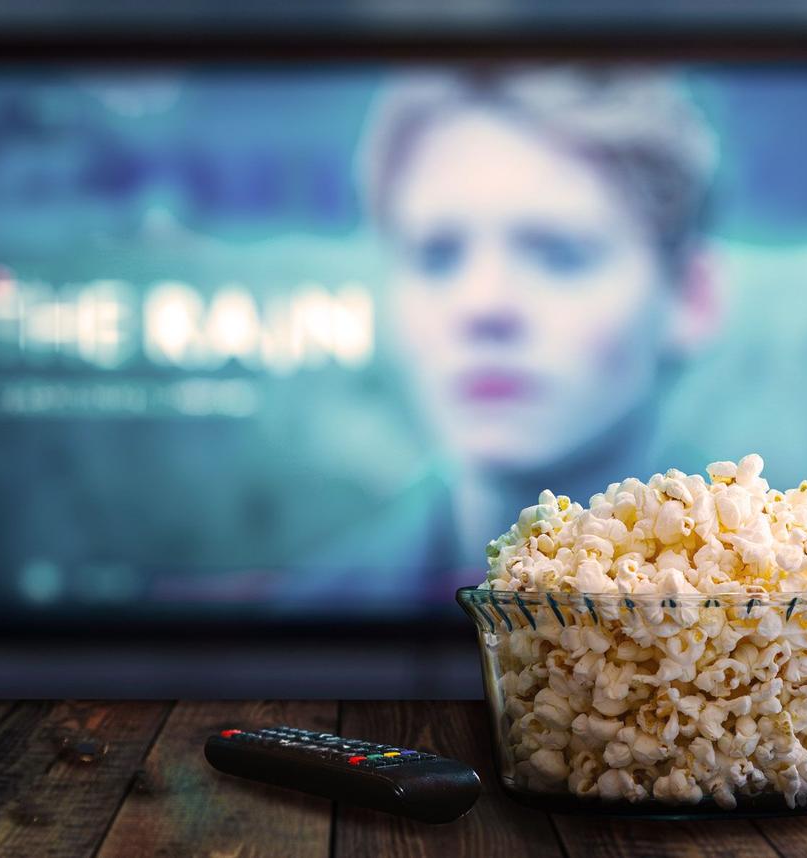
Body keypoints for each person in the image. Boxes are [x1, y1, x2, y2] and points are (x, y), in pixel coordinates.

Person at [287, 67, 723, 610]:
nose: (483, 305)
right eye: (437, 255)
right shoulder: (306, 619)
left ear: (692, 296)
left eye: (560, 254)